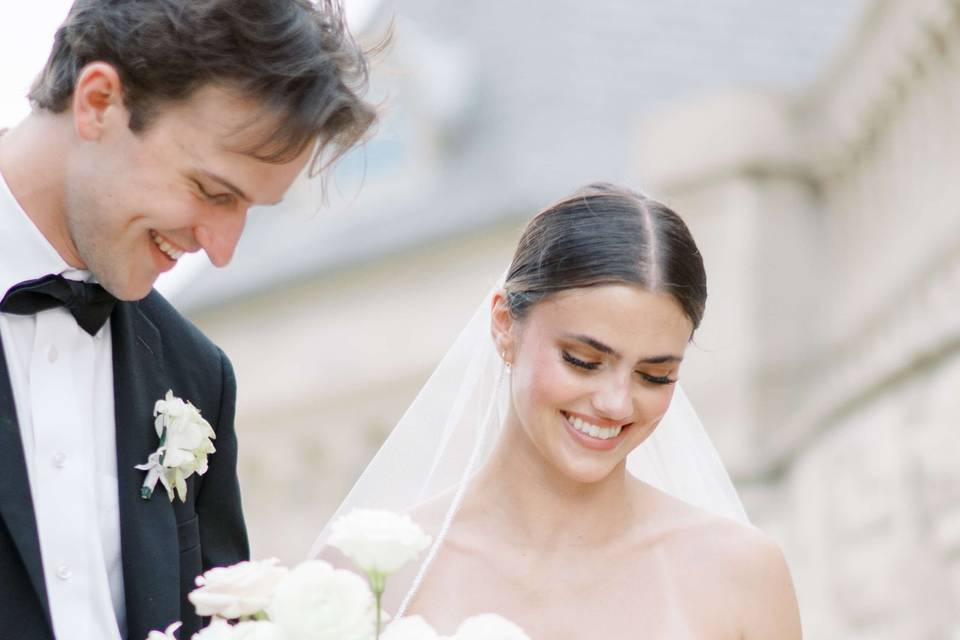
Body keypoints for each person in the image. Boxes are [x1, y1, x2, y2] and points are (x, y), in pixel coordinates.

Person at [0, 1, 375, 639]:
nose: (223, 249)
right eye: (211, 191)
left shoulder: (198, 377)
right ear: (97, 102)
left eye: (251, 209)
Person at [315, 184, 802, 638]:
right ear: (505, 323)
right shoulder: (367, 574)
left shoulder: (742, 572)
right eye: (583, 361)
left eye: (654, 375)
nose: (616, 403)